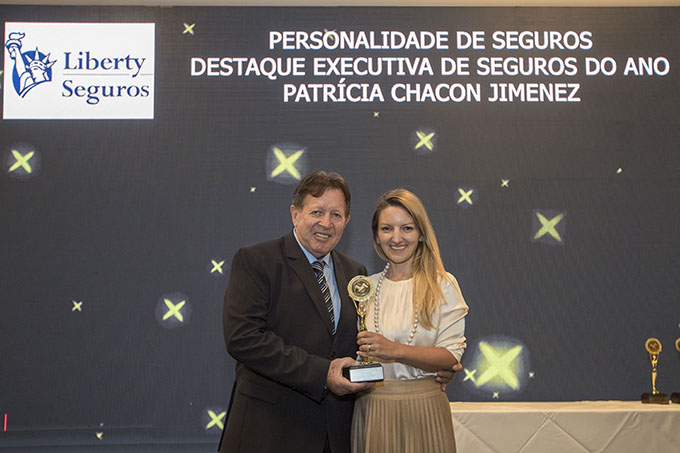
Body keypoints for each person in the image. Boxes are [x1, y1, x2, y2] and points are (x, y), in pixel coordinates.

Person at [219, 171, 372, 453]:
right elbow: (244, 339)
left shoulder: (356, 272)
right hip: (270, 432)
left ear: (347, 221)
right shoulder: (257, 260)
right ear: (295, 213)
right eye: (317, 212)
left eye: (336, 215)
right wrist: (323, 373)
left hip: (334, 436)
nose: (326, 223)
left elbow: (359, 342)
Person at [351, 189, 469, 453]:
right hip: (371, 409)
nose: (396, 238)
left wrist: (394, 350)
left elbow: (450, 356)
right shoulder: (365, 288)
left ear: (421, 234)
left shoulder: (442, 285)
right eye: (387, 229)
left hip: (425, 409)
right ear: (376, 236)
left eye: (407, 228)